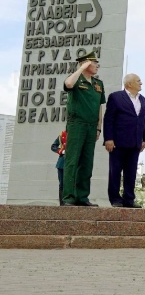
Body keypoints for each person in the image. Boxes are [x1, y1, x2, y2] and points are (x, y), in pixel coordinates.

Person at [61, 51, 105, 206]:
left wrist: (99, 128)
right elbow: (68, 84)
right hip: (76, 125)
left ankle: (82, 197)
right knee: (72, 161)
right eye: (94, 63)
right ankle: (68, 197)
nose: (97, 65)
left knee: (87, 163)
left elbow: (99, 107)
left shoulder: (98, 84)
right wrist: (81, 68)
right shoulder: (76, 79)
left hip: (91, 127)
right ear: (86, 63)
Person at [103, 74, 145, 208]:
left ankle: (129, 199)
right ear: (129, 84)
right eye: (138, 81)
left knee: (131, 172)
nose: (141, 83)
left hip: (135, 142)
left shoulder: (143, 100)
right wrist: (108, 138)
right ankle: (115, 199)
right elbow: (109, 119)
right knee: (115, 171)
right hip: (118, 141)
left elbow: (143, 120)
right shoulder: (116, 97)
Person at [50, 130, 67, 205]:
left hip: (74, 163)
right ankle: (62, 203)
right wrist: (61, 151)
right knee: (62, 184)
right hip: (62, 163)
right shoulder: (62, 135)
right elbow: (53, 146)